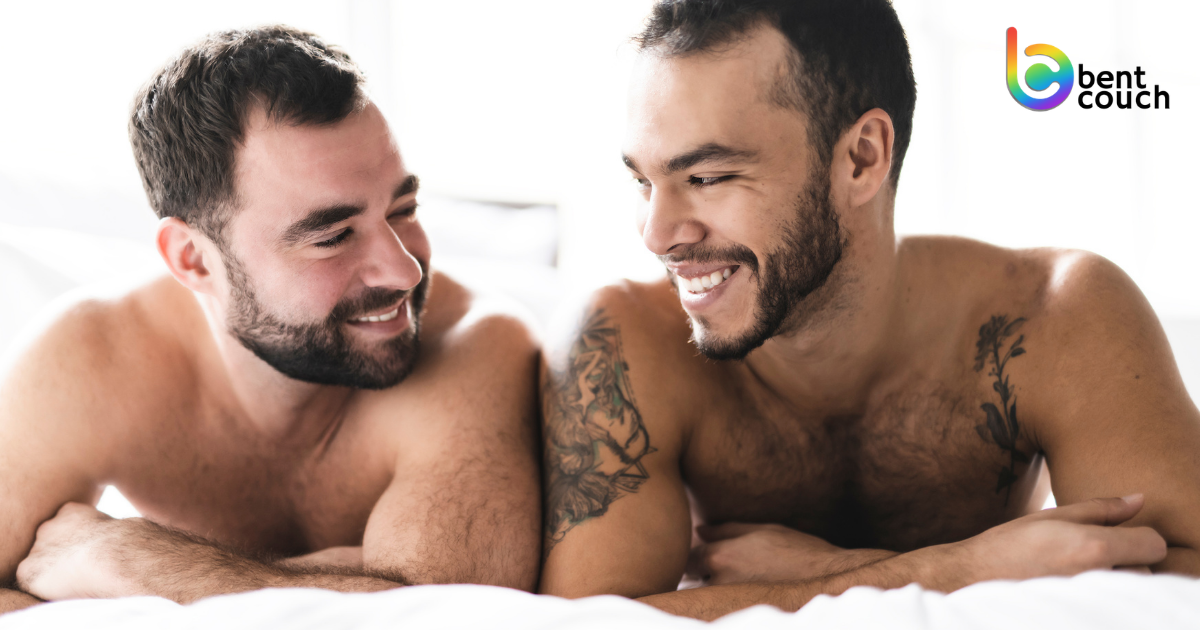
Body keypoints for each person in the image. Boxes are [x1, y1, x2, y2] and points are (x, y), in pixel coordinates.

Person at [538, 0, 1198, 619]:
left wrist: (823, 572)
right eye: (643, 181)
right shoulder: (618, 341)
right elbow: (586, 624)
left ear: (862, 158)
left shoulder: (1054, 315)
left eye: (707, 178)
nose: (657, 235)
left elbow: (1185, 574)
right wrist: (963, 568)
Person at [0, 26, 541, 614]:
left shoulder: (476, 341)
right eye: (332, 237)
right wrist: (355, 574)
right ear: (194, 259)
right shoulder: (85, 364)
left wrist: (133, 560)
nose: (404, 271)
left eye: (403, 209)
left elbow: (448, 612)